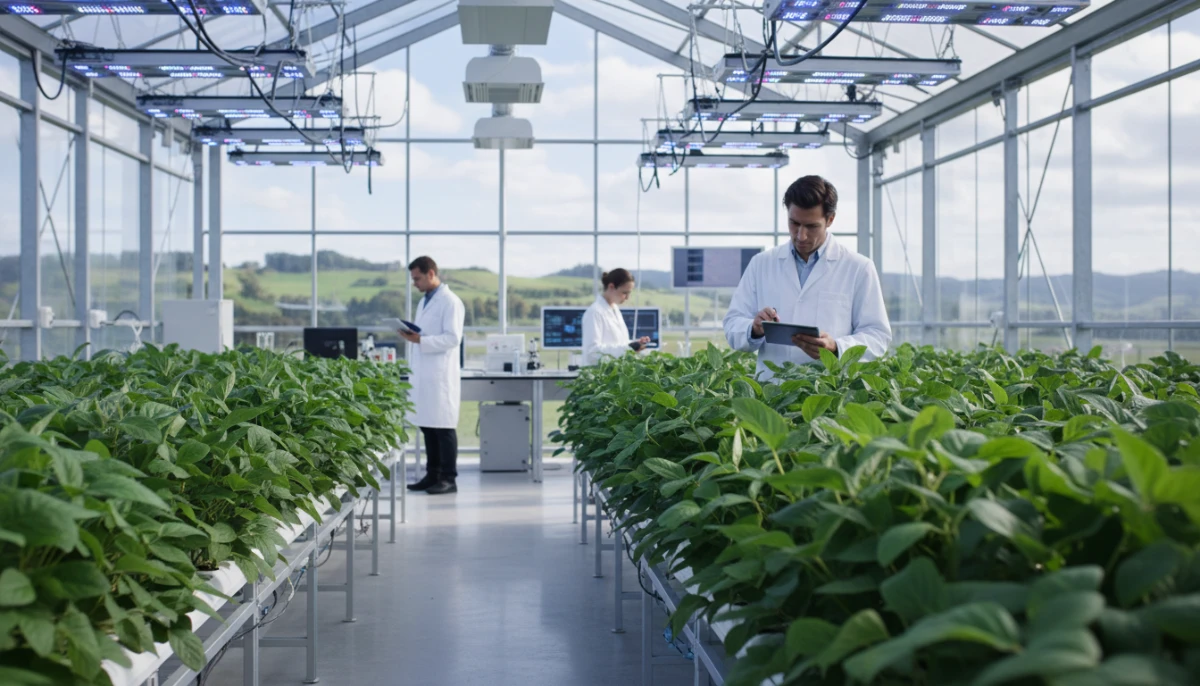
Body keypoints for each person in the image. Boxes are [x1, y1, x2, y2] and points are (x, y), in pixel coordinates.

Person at [724, 175, 891, 380]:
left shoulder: (858, 268)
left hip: (828, 392)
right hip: (772, 390)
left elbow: (878, 336)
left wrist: (836, 347)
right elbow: (733, 324)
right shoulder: (761, 264)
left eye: (811, 226)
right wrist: (754, 328)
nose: (801, 236)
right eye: (794, 223)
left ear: (830, 220)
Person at [399, 256, 466, 495]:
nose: (414, 283)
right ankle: (433, 474)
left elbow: (453, 338)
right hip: (425, 373)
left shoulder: (450, 302)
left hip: (441, 375)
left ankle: (449, 478)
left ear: (430, 274)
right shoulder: (425, 301)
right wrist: (415, 336)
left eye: (417, 278)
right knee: (428, 425)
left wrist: (421, 340)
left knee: (444, 428)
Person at [582, 268, 652, 366]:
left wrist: (635, 344)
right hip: (600, 375)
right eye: (624, 293)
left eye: (629, 293)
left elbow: (618, 344)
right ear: (611, 287)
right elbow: (592, 352)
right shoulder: (595, 313)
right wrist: (628, 348)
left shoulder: (615, 310)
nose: (627, 298)